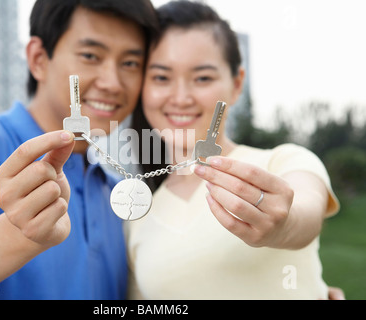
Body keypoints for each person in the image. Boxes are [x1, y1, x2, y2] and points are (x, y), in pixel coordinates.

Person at [0, 0, 158, 300]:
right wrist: (19, 233)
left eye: (131, 63)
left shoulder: (117, 192)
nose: (112, 82)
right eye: (90, 55)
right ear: (38, 59)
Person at [127, 0, 340, 300]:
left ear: (236, 84)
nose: (181, 97)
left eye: (202, 78)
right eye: (161, 77)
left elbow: (305, 210)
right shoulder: (136, 215)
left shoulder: (284, 161)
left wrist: (284, 226)